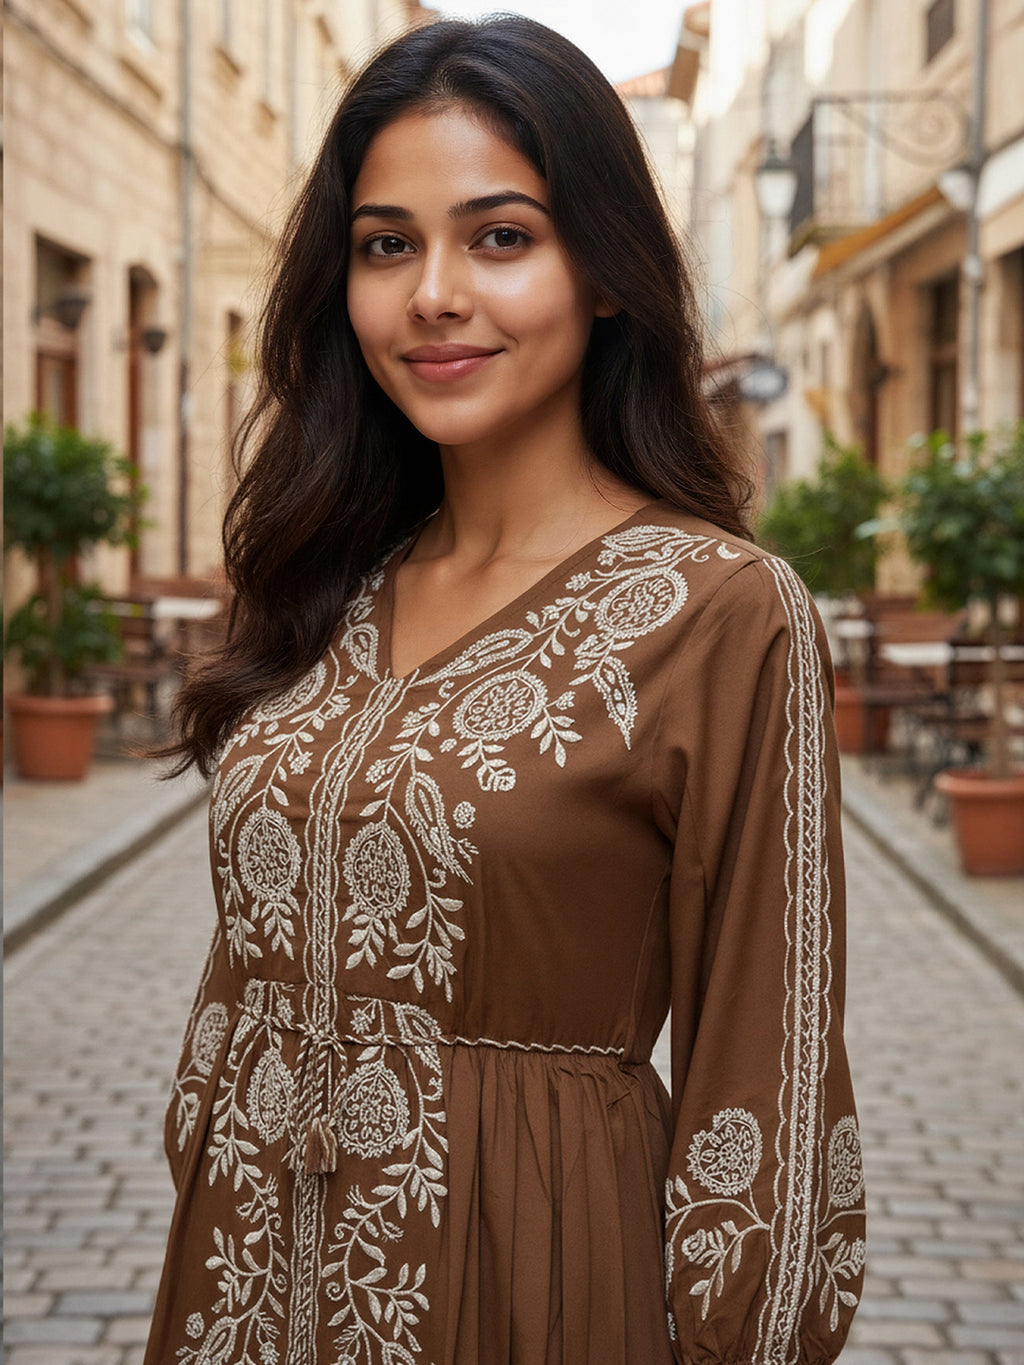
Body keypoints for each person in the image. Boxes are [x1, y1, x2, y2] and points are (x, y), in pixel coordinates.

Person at [146, 17, 866, 1365]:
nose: (432, 294)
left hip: (529, 1277)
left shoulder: (718, 612)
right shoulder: (328, 581)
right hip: (242, 1283)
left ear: (604, 270)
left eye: (499, 237)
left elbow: (767, 1074)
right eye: (385, 244)